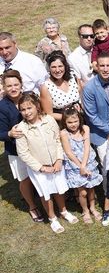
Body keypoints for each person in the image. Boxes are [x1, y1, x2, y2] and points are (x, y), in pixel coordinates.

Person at [16, 93, 78, 233]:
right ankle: (52, 218)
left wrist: (58, 159)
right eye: (23, 110)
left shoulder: (49, 120)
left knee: (58, 189)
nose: (27, 112)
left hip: (55, 164)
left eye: (29, 108)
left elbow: (57, 140)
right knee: (46, 193)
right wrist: (41, 168)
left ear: (37, 106)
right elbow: (23, 153)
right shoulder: (21, 129)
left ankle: (63, 211)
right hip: (39, 169)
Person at [0, 70, 42, 222]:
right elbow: (0, 133)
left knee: (40, 172)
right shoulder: (2, 106)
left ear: (21, 84)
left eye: (16, 84)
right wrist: (9, 134)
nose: (13, 88)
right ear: (4, 87)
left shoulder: (29, 97)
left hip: (37, 145)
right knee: (25, 179)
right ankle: (32, 206)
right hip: (16, 150)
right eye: (9, 85)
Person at [60, 107, 103, 224]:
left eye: (75, 121)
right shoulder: (64, 133)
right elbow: (68, 152)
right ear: (65, 122)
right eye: (69, 122)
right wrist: (80, 167)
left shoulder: (85, 128)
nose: (73, 125)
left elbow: (87, 147)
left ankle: (93, 208)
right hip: (74, 166)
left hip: (87, 162)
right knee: (82, 192)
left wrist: (84, 165)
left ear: (80, 120)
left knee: (91, 188)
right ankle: (85, 211)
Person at [82, 52, 109, 166]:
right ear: (96, 67)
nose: (106, 69)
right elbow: (92, 117)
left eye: (108, 66)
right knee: (107, 166)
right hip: (101, 133)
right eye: (102, 66)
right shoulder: (89, 88)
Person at [39, 51, 82, 123]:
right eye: (53, 67)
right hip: (62, 123)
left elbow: (82, 99)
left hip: (80, 119)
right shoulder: (46, 87)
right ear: (49, 68)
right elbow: (49, 114)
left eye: (60, 66)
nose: (57, 70)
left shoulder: (73, 78)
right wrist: (70, 118)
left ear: (65, 66)